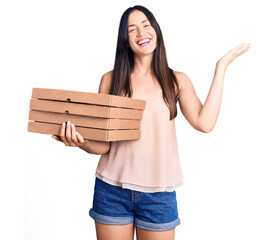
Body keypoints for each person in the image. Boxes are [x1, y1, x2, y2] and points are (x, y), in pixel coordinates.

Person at [52, 5, 251, 240]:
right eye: (132, 29)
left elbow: (204, 123)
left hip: (159, 195)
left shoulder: (176, 80)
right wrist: (81, 142)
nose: (141, 33)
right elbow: (104, 146)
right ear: (125, 41)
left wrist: (221, 67)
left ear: (156, 31)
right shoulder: (110, 80)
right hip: (111, 192)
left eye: (146, 25)